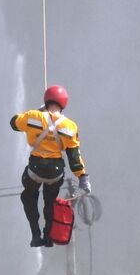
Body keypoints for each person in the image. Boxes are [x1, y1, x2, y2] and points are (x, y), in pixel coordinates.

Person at [11, 85, 89, 247]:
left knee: (29, 196)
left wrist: (35, 112)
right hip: (55, 172)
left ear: (46, 101)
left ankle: (35, 235)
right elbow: (74, 156)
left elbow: (14, 123)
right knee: (50, 201)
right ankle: (48, 237)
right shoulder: (70, 126)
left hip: (35, 169)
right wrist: (82, 177)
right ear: (64, 103)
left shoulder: (34, 116)